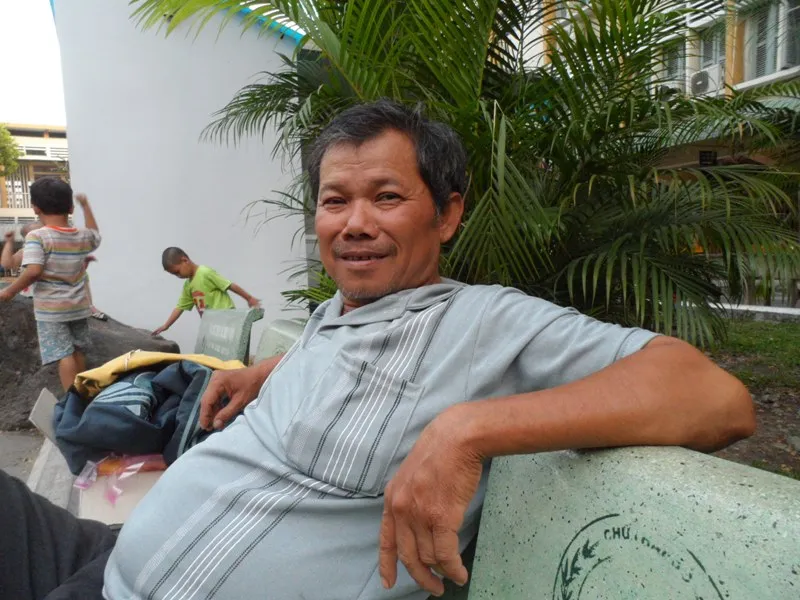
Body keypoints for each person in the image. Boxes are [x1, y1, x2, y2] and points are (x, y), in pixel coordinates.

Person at [0, 101, 755, 600]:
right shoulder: (338, 312)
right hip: (108, 561)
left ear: (447, 215)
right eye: (336, 201)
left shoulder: (484, 320)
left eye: (387, 198)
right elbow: (363, 377)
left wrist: (467, 431)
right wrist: (272, 371)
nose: (354, 223)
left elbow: (715, 397)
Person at [0, 178, 101, 391]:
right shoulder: (82, 235)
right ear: (71, 208)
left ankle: (72, 400)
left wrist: (9, 291)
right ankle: (83, 395)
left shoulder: (38, 236)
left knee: (63, 354)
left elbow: (33, 270)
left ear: (35, 208)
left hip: (51, 309)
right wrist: (86, 206)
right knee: (78, 350)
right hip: (78, 306)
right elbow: (95, 234)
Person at [2, 220, 106, 318]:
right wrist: (9, 243)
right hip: (38, 293)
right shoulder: (27, 251)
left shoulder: (55, 247)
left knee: (83, 276)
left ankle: (89, 305)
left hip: (60, 293)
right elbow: (8, 265)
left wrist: (82, 261)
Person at [151, 247, 261, 336]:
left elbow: (229, 285)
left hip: (226, 319)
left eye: (177, 272)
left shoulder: (205, 273)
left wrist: (249, 298)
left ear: (185, 260)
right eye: (174, 274)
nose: (178, 276)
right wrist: (166, 325)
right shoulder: (188, 285)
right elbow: (180, 307)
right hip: (211, 325)